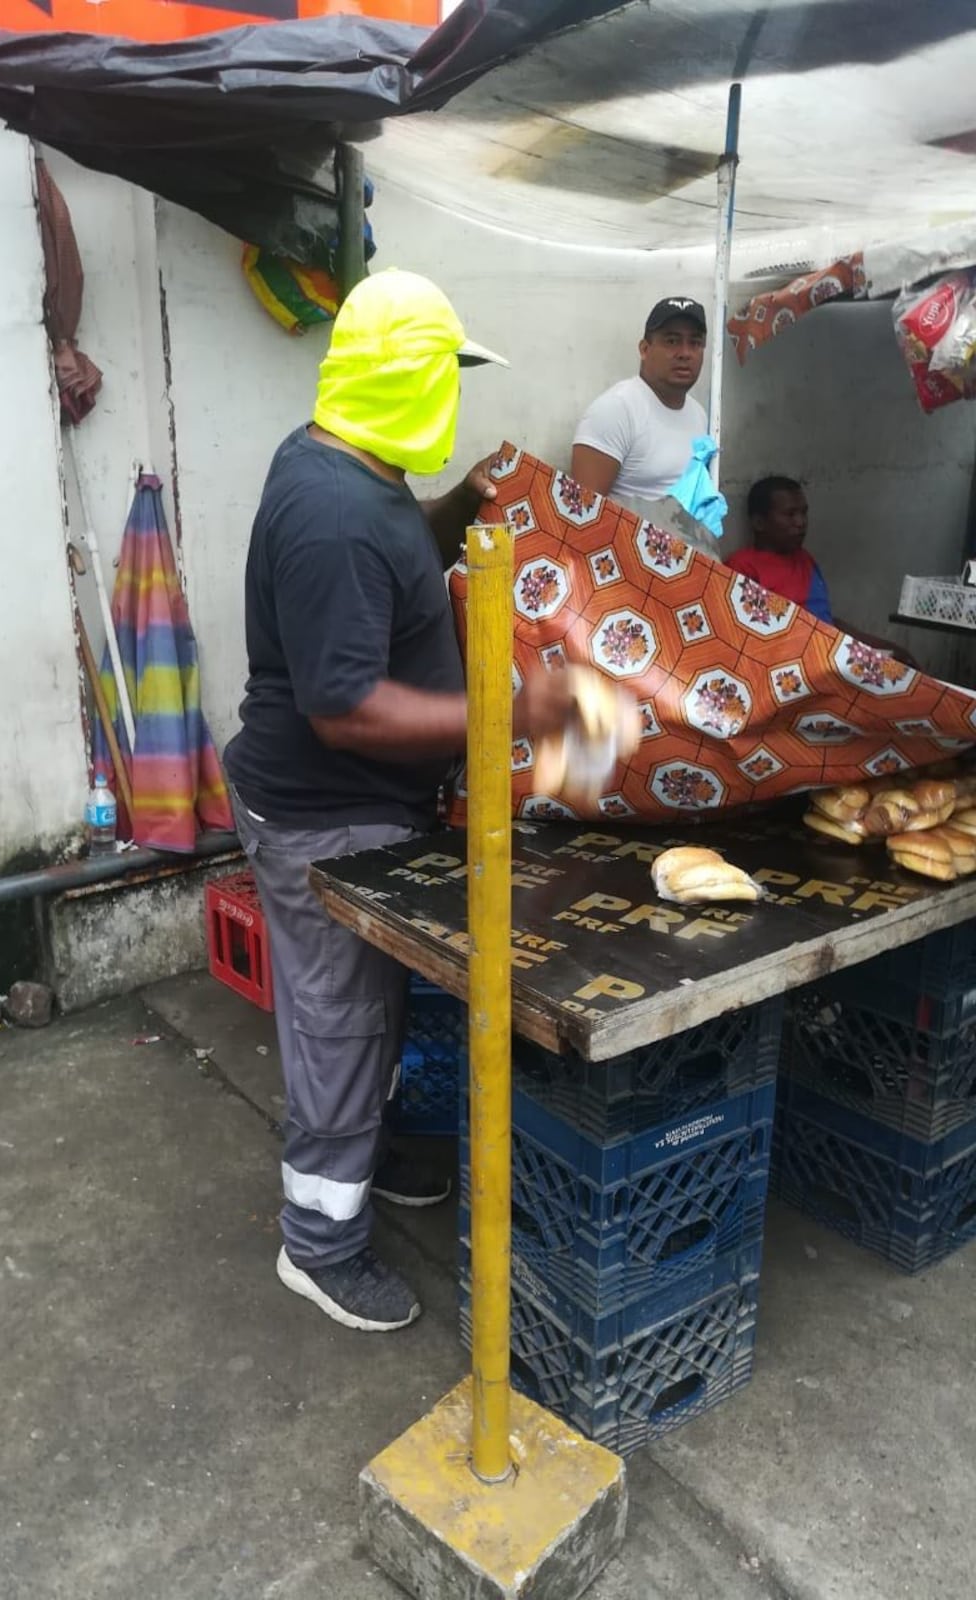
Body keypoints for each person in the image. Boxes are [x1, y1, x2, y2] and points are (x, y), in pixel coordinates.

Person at [223, 269, 597, 1334]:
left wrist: (464, 504)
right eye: (446, 375)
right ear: (406, 378)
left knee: (368, 1006)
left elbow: (398, 556)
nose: (455, 395)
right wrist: (515, 713)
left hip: (357, 808)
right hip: (321, 810)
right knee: (339, 1019)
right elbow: (345, 708)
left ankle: (364, 1155)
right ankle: (321, 1242)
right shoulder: (332, 513)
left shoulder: (348, 461)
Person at [727, 477, 915, 663]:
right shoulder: (743, 566)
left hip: (827, 656)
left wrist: (885, 647)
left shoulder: (804, 559)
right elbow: (745, 638)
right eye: (790, 514)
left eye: (803, 513)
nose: (801, 522)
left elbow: (824, 622)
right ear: (759, 522)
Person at [571, 298, 709, 500]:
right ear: (644, 349)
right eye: (672, 341)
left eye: (695, 343)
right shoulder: (616, 410)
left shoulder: (699, 415)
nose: (685, 353)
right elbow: (580, 513)